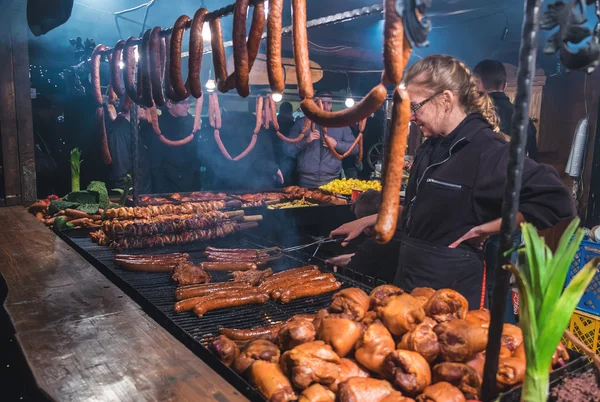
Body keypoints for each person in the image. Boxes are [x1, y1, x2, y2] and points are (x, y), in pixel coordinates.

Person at [331, 55, 575, 309]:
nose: (411, 117)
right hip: (411, 280)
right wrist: (368, 220)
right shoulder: (430, 149)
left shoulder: (488, 151)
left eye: (415, 107)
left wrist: (486, 229)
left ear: (445, 99)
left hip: (452, 294)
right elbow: (421, 212)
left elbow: (556, 199)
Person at [203, 97, 283, 190]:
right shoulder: (252, 130)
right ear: (263, 110)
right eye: (272, 109)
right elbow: (255, 159)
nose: (274, 113)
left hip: (247, 182)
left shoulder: (249, 126)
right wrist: (274, 169)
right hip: (250, 186)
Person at [284, 91, 358, 188]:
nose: (326, 106)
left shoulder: (341, 125)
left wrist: (336, 144)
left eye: (329, 103)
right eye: (322, 102)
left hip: (332, 182)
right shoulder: (301, 124)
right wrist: (305, 141)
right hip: (306, 181)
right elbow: (287, 149)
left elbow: (356, 148)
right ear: (315, 103)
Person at [473, 60, 539, 162]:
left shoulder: (469, 116)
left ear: (477, 84)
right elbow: (533, 162)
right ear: (505, 85)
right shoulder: (525, 120)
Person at [149, 99, 199, 193]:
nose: (187, 106)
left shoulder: (192, 122)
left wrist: (196, 183)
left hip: (189, 181)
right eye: (183, 102)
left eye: (188, 102)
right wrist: (161, 188)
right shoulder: (158, 124)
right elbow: (155, 160)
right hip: (167, 182)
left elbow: (195, 154)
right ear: (169, 104)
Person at [106, 105, 152, 193]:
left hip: (141, 193)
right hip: (130, 197)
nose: (150, 109)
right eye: (145, 106)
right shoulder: (119, 131)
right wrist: (128, 197)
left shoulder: (136, 129)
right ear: (133, 107)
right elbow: (120, 171)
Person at [275, 101, 297, 184]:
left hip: (274, 160)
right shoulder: (293, 125)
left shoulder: (272, 124)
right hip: (289, 160)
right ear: (290, 112)